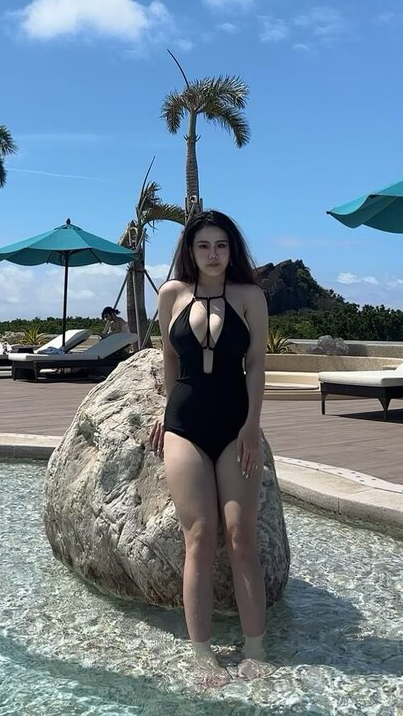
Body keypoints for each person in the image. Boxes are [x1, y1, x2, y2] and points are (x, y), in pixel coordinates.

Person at [149, 210, 269, 685]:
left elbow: (256, 363)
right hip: (185, 424)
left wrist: (252, 426)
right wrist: (164, 410)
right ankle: (202, 654)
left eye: (221, 245)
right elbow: (170, 357)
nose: (213, 254)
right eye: (204, 245)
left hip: (235, 425)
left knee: (241, 536)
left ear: (232, 249)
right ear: (190, 250)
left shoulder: (250, 296)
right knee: (199, 535)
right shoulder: (171, 294)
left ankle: (255, 648)